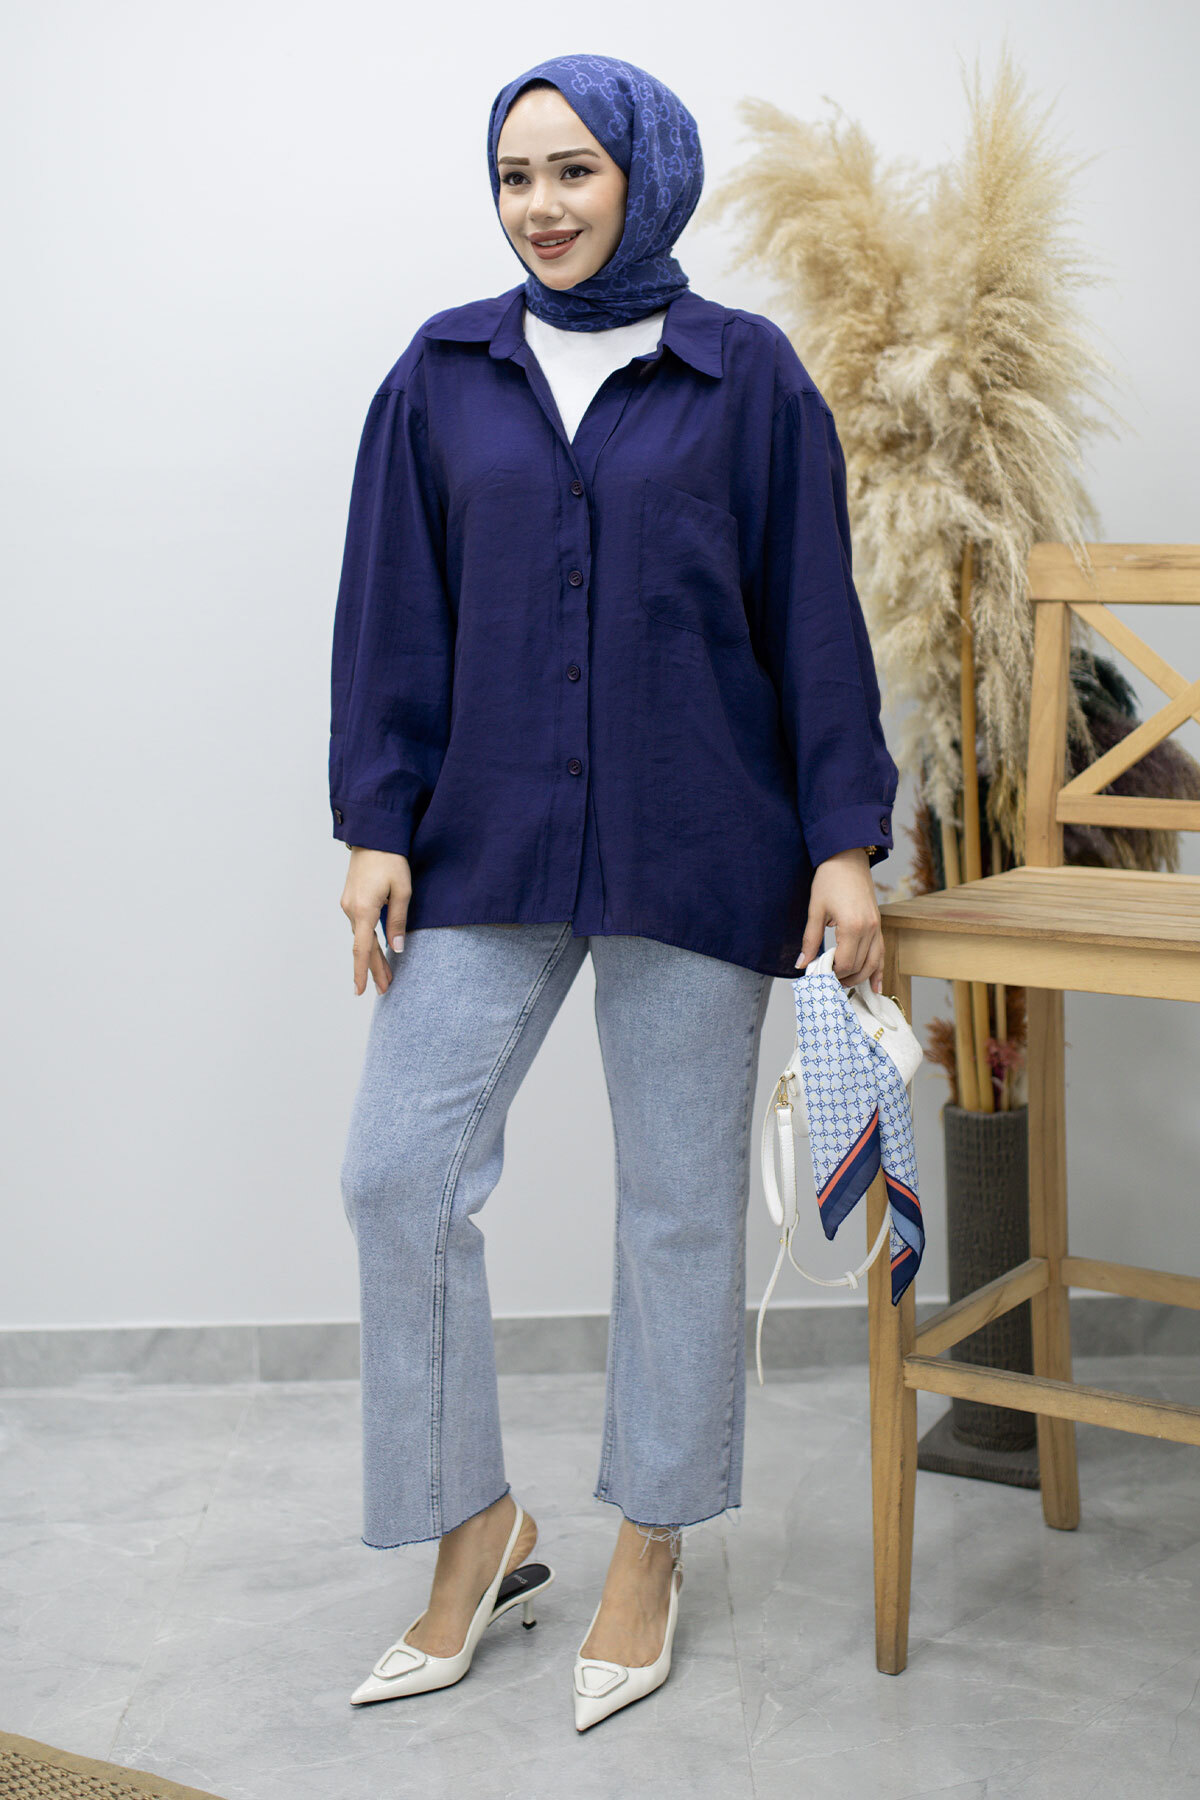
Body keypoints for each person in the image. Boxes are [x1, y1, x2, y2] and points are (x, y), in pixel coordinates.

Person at [329, 52, 899, 1730]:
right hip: (488, 838)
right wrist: (375, 822)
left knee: (675, 1209)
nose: (542, 206)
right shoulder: (442, 374)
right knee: (396, 1174)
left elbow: (812, 618)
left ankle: (651, 1542)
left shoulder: (747, 375)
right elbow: (392, 609)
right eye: (516, 175)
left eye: (573, 170)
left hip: (702, 839)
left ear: (644, 175)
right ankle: (477, 1529)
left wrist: (844, 840)